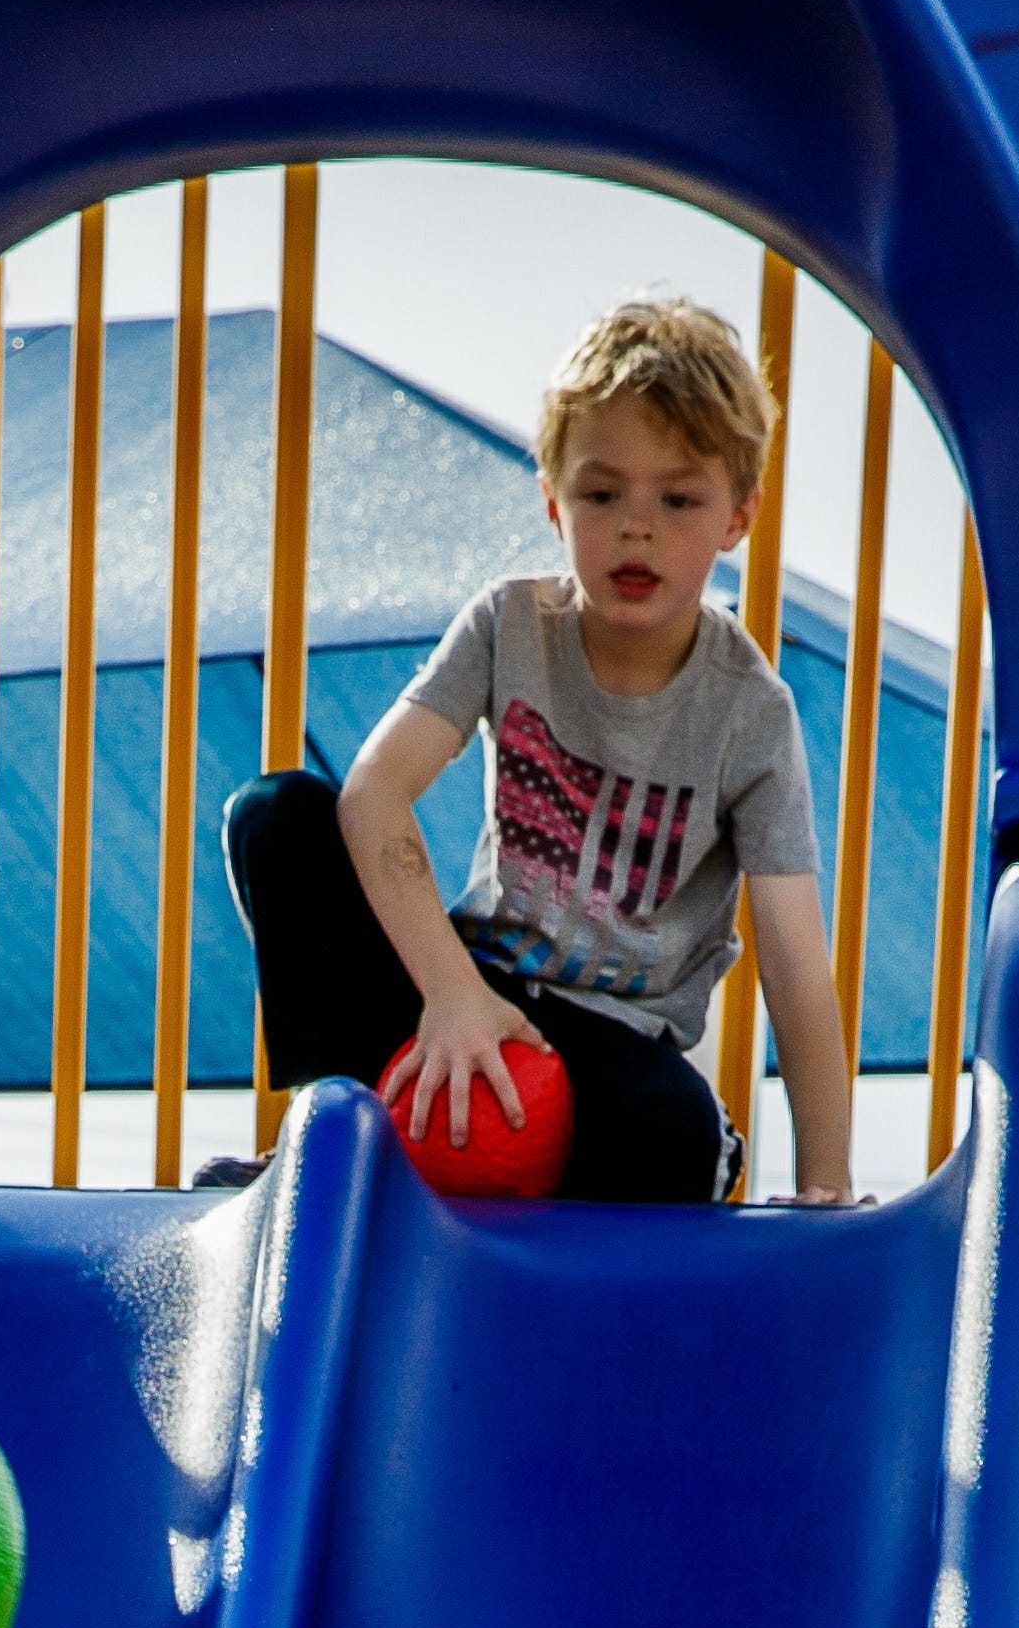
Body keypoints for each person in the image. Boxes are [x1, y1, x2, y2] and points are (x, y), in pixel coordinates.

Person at [220, 296, 855, 1211]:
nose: (637, 526)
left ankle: (504, 1185)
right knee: (278, 817)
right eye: (602, 495)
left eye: (678, 499)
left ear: (737, 516)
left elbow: (792, 960)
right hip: (465, 987)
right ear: (555, 502)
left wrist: (827, 1184)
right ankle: (338, 1132)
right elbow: (375, 792)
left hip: (607, 1042)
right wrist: (453, 994)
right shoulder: (509, 623)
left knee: (672, 1133)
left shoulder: (750, 711)